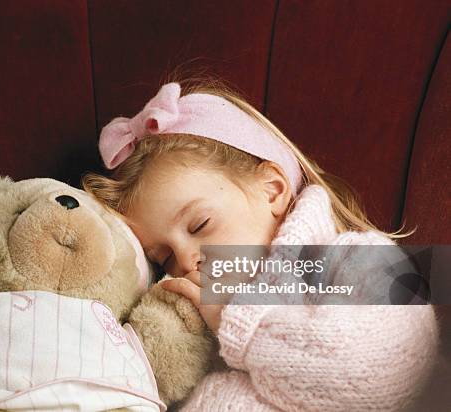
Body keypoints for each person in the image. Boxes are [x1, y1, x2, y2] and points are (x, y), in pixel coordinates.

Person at [81, 81, 438, 411]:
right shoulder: (192, 324)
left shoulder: (355, 260)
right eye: (165, 257)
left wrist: (238, 323)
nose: (188, 260)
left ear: (272, 189)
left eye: (200, 225)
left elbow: (381, 372)